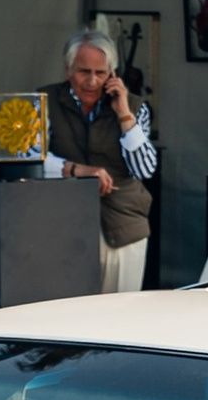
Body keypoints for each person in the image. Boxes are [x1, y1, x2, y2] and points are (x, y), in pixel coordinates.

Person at [41, 29, 157, 296]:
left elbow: (145, 169)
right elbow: (28, 157)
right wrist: (74, 169)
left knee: (118, 318)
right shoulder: (44, 102)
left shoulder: (135, 107)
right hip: (62, 225)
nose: (92, 81)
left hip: (123, 226)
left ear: (112, 74)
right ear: (67, 69)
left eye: (101, 73)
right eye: (84, 72)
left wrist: (124, 114)